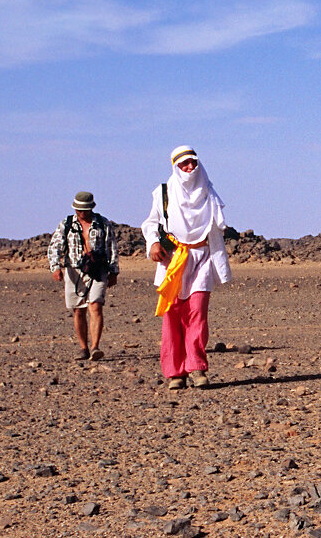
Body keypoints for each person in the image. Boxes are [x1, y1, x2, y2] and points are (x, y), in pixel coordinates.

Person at [140, 146, 231, 390]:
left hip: (202, 257)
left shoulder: (208, 192)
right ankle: (174, 372)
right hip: (174, 260)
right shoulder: (163, 194)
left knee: (198, 314)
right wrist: (153, 243)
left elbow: (217, 228)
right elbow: (150, 223)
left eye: (192, 163)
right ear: (175, 167)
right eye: (184, 164)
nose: (189, 168)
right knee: (173, 316)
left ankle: (197, 368)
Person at [48, 191, 120, 361]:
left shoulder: (103, 224)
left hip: (98, 269)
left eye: (85, 210)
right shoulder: (66, 224)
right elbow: (55, 246)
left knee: (95, 305)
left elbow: (112, 247)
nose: (82, 213)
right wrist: (55, 267)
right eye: (79, 210)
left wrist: (114, 271)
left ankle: (95, 347)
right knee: (78, 310)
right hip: (74, 270)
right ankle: (83, 348)